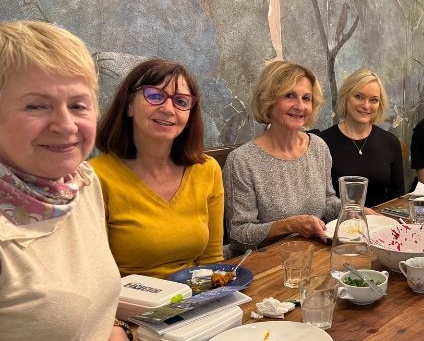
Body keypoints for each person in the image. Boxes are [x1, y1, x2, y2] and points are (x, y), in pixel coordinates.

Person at [0, 20, 137, 341]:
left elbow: (83, 286)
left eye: (78, 105)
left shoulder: (79, 184)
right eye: (36, 106)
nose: (65, 125)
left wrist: (112, 331)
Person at [91, 59, 224, 278]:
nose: (168, 109)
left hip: (196, 301)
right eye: (155, 96)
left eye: (181, 101)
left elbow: (212, 262)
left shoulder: (207, 170)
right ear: (129, 105)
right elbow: (97, 276)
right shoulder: (96, 177)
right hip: (128, 306)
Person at [224, 60, 340, 252]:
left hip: (313, 255)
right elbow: (239, 236)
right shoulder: (242, 161)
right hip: (266, 266)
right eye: (290, 96)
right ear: (269, 100)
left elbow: (328, 203)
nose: (300, 106)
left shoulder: (318, 147)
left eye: (307, 98)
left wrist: (352, 211)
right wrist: (290, 225)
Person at [318, 69, 404, 207]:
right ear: (346, 97)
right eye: (358, 96)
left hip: (380, 223)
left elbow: (398, 197)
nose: (366, 105)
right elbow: (320, 201)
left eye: (374, 100)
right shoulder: (322, 143)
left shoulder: (390, 142)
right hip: (338, 224)